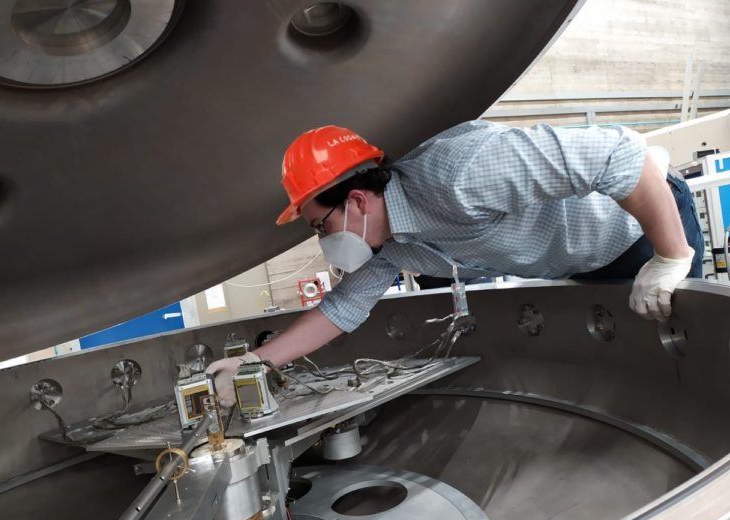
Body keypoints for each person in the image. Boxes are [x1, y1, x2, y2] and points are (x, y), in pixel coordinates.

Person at [207, 121, 703, 404]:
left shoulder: (459, 175)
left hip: (641, 226)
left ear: (357, 202)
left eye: (320, 226)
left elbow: (622, 157)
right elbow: (342, 308)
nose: (323, 241)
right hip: (585, 259)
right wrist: (254, 363)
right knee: (635, 368)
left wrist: (669, 255)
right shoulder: (391, 243)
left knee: (681, 355)